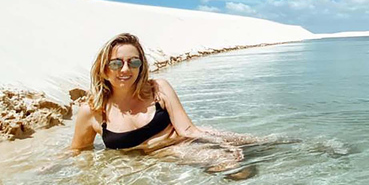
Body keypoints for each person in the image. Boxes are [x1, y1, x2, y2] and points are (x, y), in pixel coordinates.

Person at [71, 32, 257, 175]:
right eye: (116, 64)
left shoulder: (158, 88)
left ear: (141, 66)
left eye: (133, 62)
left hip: (191, 136)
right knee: (235, 169)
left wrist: (223, 142)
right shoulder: (92, 111)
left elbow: (188, 130)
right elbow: (79, 150)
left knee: (266, 144)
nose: (125, 69)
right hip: (168, 152)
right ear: (103, 69)